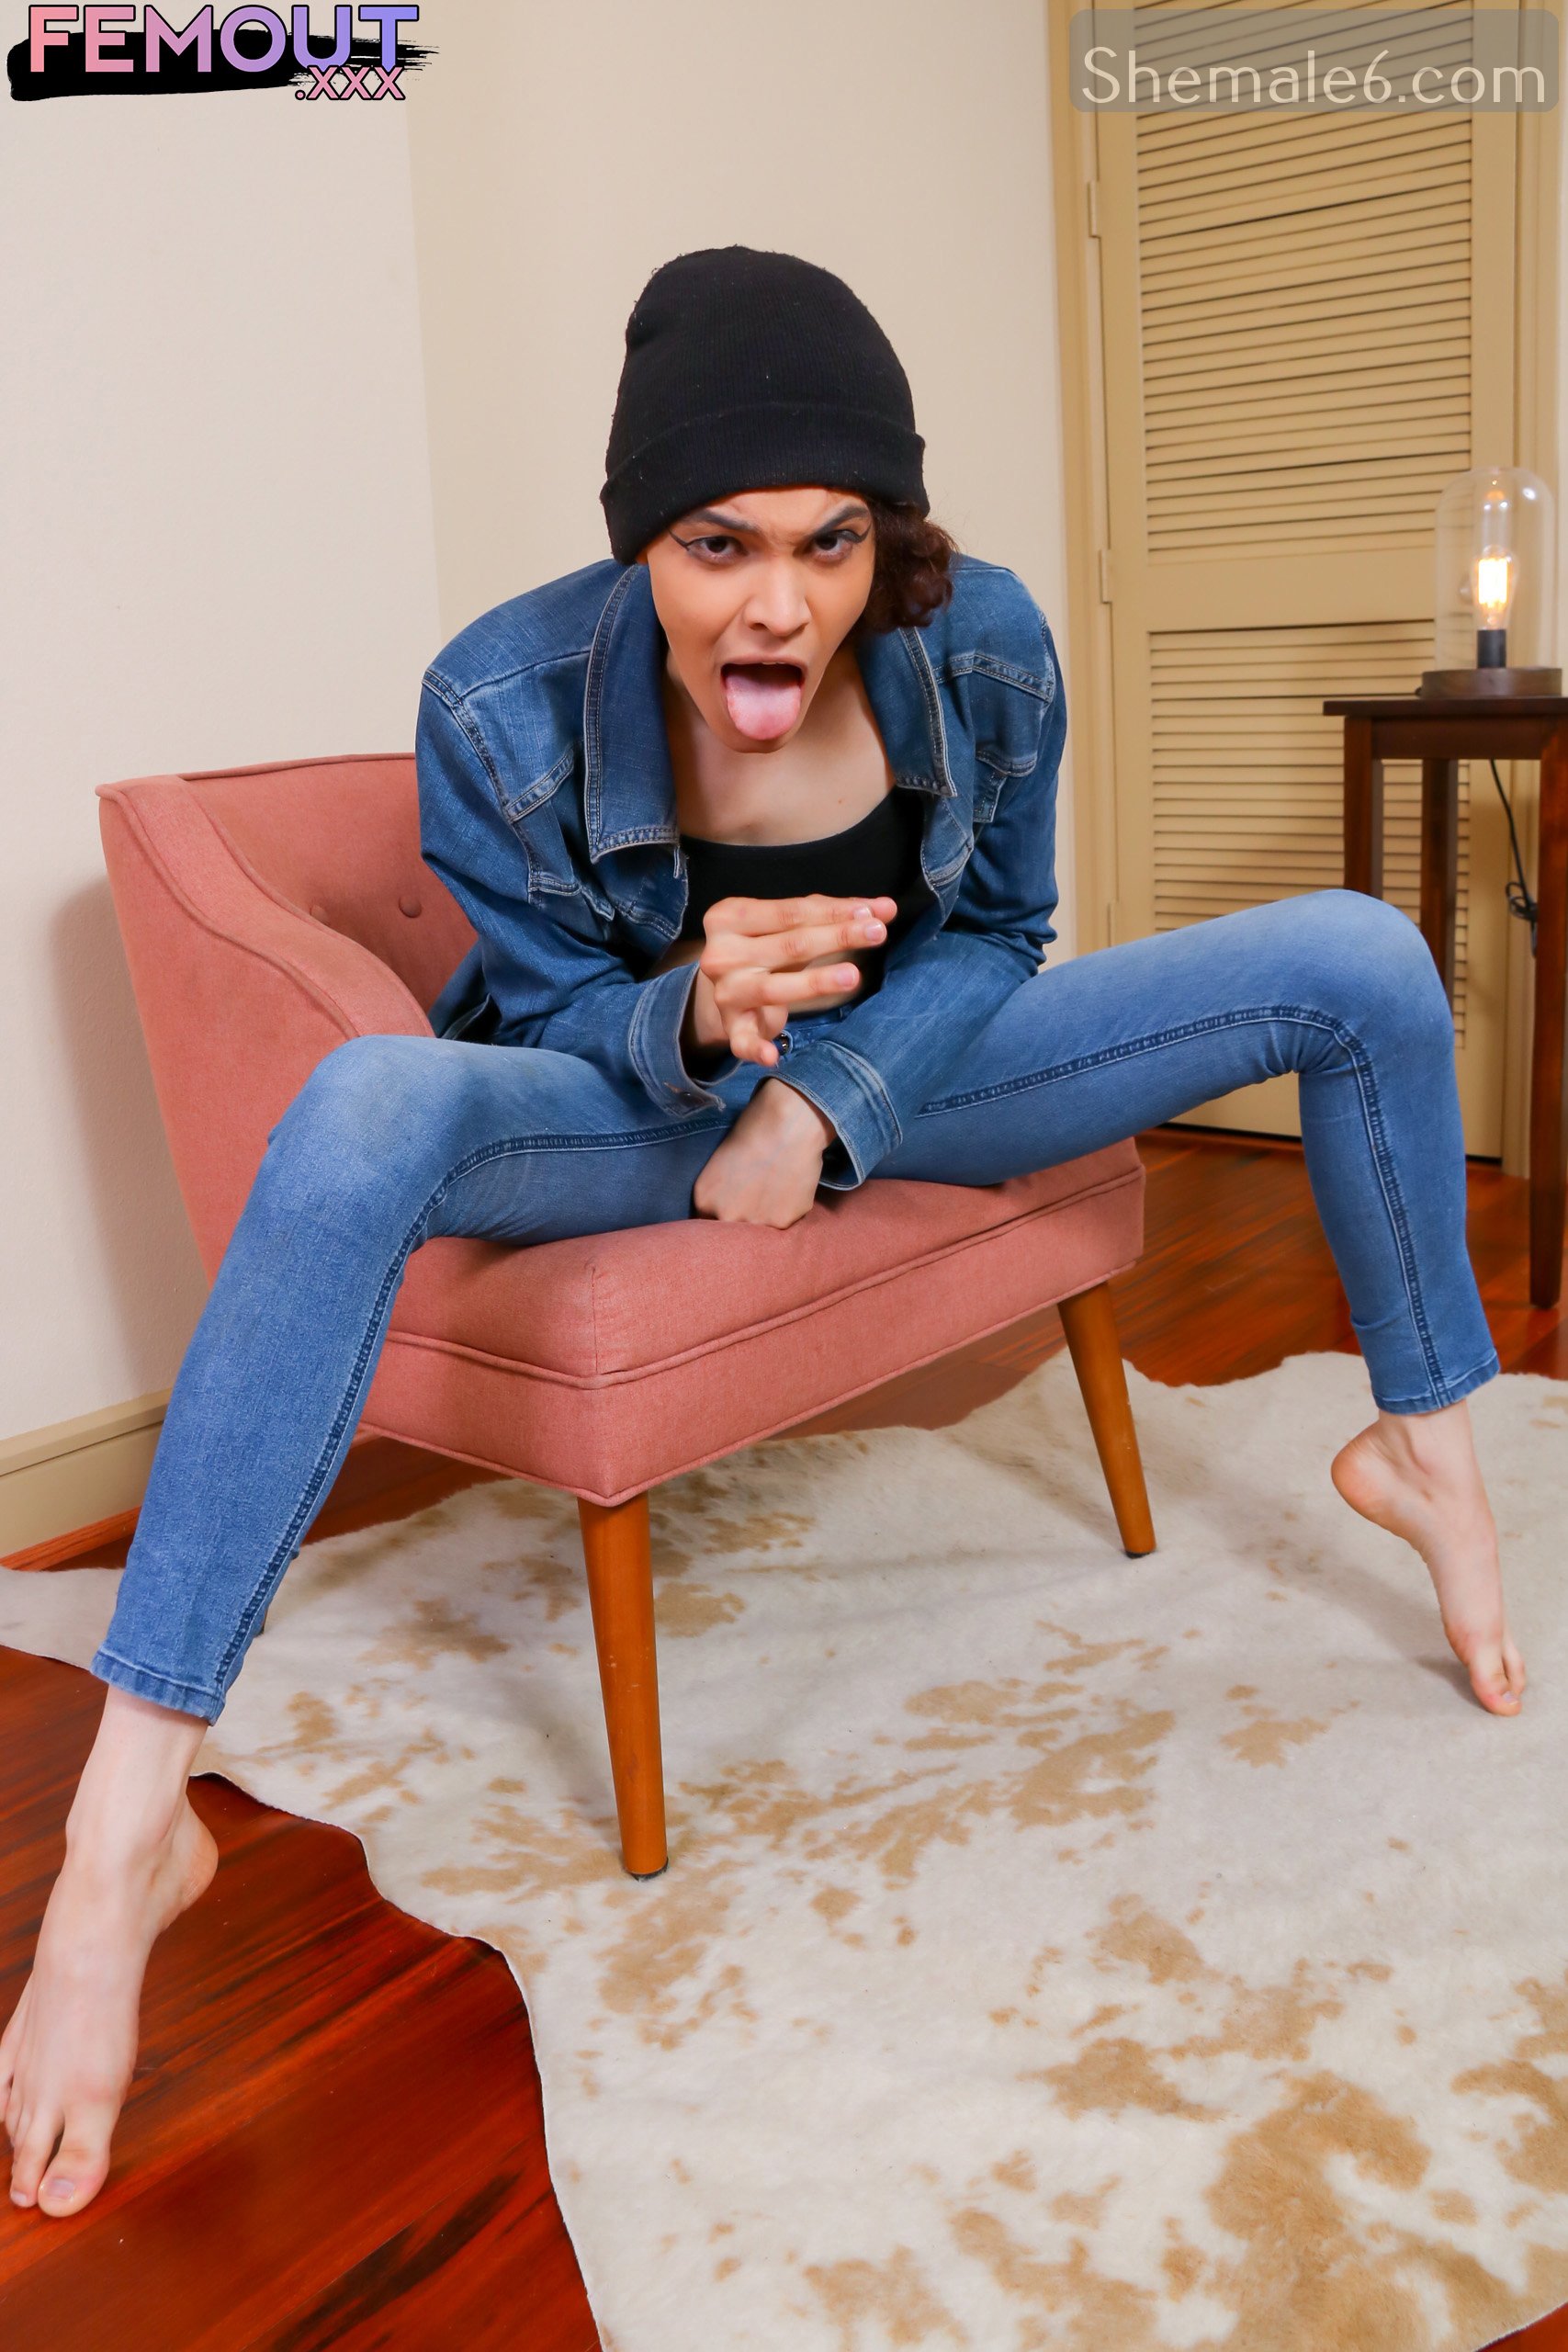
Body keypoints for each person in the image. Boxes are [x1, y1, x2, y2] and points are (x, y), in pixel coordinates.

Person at [1, 245, 1524, 2222]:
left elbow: (998, 929)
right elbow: (549, 1013)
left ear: (889, 534)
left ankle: (1423, 1445)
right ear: (640, 536)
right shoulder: (494, 700)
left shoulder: (982, 643)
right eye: (716, 545)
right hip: (628, 1106)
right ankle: (128, 1825)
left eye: (830, 541)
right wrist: (695, 1016)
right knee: (366, 1097)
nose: (779, 604)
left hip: (905, 1081)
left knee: (1363, 955)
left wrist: (823, 1100)